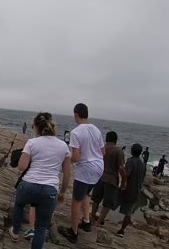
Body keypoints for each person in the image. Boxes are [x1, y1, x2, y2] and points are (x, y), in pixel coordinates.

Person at [9, 112, 71, 249]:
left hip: (28, 185)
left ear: (36, 127)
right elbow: (67, 174)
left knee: (19, 205)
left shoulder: (32, 142)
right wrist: (62, 193)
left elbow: (21, 167)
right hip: (50, 190)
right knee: (41, 228)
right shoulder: (63, 146)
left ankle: (15, 232)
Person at [59, 103, 105, 243]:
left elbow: (76, 156)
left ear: (76, 114)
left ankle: (73, 232)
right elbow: (103, 152)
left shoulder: (76, 132)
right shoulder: (96, 129)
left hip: (85, 170)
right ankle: (86, 222)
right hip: (99, 168)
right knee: (85, 194)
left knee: (75, 201)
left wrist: (65, 163)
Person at [91, 131, 126, 227]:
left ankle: (92, 219)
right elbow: (121, 168)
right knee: (107, 204)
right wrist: (124, 181)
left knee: (96, 200)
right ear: (115, 140)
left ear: (106, 139)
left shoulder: (101, 149)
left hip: (99, 178)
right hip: (111, 180)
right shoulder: (118, 151)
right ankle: (98, 223)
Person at [116, 144, 146, 237]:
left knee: (111, 201)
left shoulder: (130, 161)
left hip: (127, 189)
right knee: (128, 212)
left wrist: (122, 185)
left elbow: (126, 174)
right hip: (136, 191)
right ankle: (122, 230)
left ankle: (100, 220)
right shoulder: (143, 165)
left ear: (132, 151)